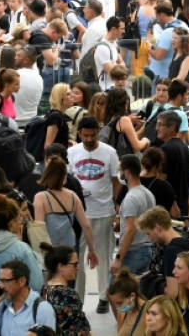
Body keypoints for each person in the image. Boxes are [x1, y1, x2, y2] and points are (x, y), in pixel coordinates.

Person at [67, 115, 119, 306]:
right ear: (79, 133)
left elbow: (115, 180)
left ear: (98, 133)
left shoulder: (109, 152)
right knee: (78, 259)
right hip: (79, 215)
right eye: (85, 136)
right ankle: (78, 299)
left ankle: (104, 297)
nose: (89, 139)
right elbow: (68, 179)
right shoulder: (71, 152)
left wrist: (115, 206)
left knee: (104, 257)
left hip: (103, 212)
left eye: (93, 135)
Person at [33, 158, 98, 259]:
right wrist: (91, 250)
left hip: (50, 250)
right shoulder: (73, 196)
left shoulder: (40, 197)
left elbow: (39, 228)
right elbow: (86, 226)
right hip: (69, 248)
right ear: (64, 175)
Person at [0, 259, 56, 335]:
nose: (1, 286)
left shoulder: (42, 309)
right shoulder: (2, 306)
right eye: (0, 281)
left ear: (21, 281)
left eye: (5, 281)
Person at [114, 154, 156, 279]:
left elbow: (130, 230)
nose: (118, 174)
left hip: (132, 252)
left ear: (126, 173)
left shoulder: (131, 198)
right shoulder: (148, 194)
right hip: (147, 250)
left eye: (120, 171)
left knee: (115, 292)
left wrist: (118, 259)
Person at [138, 207, 189, 300]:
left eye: (149, 233)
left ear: (157, 228)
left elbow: (172, 293)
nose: (150, 239)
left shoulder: (172, 251)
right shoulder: (185, 240)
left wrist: (152, 283)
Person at [40, 243, 91, 336]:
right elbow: (81, 332)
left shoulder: (45, 288)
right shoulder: (68, 294)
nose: (78, 267)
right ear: (61, 266)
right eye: (75, 264)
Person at [155, 111, 189, 216]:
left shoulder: (166, 149)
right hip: (182, 204)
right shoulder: (184, 147)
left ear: (172, 127)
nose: (156, 128)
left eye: (160, 124)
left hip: (169, 206)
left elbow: (162, 179)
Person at [108, 270, 147, 336]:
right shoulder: (123, 314)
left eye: (119, 303)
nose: (117, 308)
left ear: (132, 296)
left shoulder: (150, 312)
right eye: (115, 304)